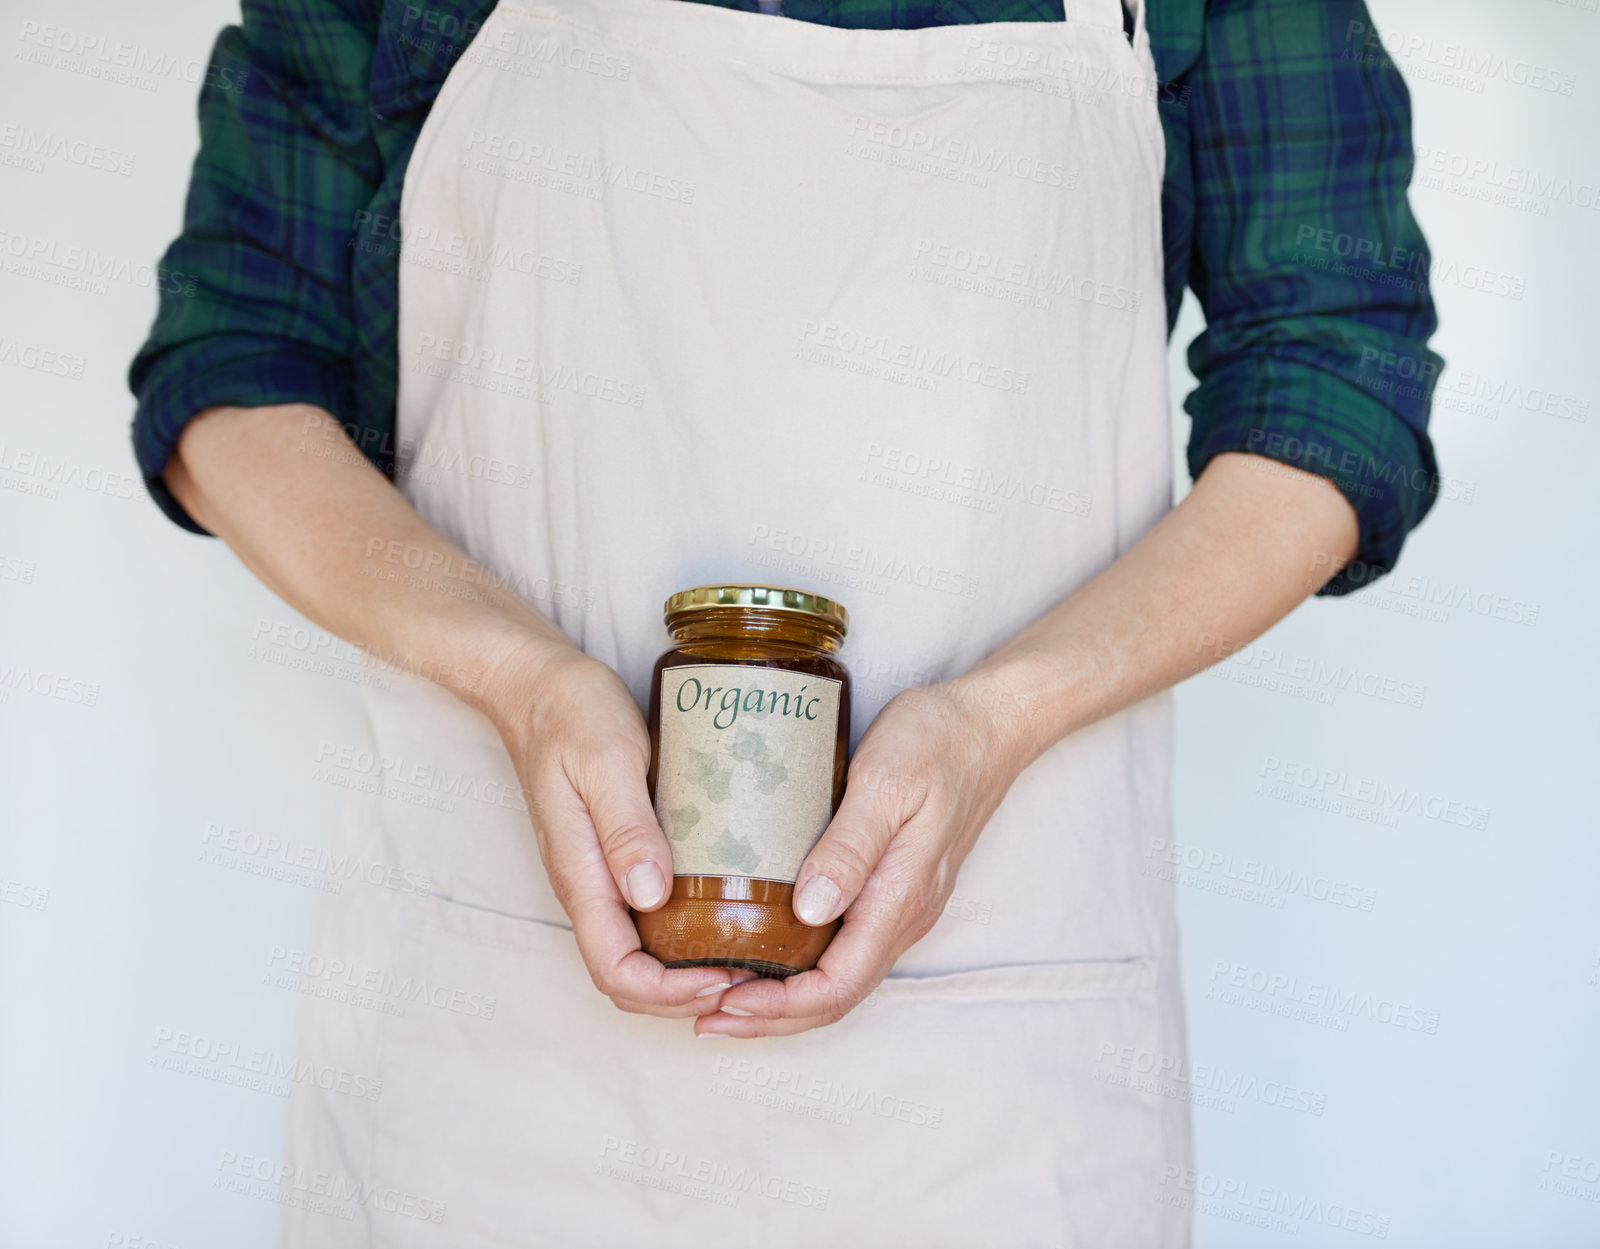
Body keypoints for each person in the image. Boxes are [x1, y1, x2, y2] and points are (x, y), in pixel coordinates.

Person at [128, 0, 1441, 1242]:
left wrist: (997, 719)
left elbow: (1334, 380)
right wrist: (515, 676)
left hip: (994, 1077)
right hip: (487, 1073)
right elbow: (237, 361)